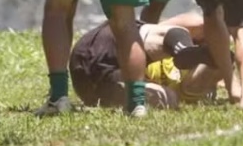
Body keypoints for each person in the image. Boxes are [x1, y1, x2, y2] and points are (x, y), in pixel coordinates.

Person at [70, 13, 220, 108]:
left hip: (98, 83)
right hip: (112, 44)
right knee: (191, 27)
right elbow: (198, 23)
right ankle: (183, 50)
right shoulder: (195, 33)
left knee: (170, 99)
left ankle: (183, 50)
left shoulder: (180, 90)